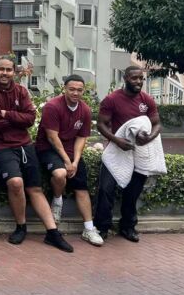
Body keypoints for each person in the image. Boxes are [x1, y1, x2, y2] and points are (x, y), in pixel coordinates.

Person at [0, 56, 73, 252]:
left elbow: (30, 118)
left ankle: (53, 233)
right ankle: (21, 227)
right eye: (1, 69)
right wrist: (16, 118)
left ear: (15, 72)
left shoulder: (21, 91)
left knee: (34, 188)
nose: (5, 73)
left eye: (9, 70)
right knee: (15, 182)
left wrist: (7, 114)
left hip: (24, 144)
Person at [94, 66, 162, 243]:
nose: (138, 82)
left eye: (141, 78)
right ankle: (102, 228)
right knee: (106, 189)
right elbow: (100, 124)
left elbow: (156, 124)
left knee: (133, 192)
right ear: (125, 78)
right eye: (134, 78)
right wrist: (116, 141)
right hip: (117, 150)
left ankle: (128, 226)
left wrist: (149, 138)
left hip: (138, 151)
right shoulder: (112, 99)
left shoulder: (146, 100)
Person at [36, 75, 102, 246]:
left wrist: (76, 161)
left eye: (79, 90)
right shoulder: (52, 107)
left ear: (83, 91)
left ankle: (89, 229)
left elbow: (81, 138)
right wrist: (66, 161)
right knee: (60, 173)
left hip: (72, 153)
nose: (75, 93)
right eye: (72, 89)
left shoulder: (85, 110)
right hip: (49, 149)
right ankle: (57, 200)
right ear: (64, 89)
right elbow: (52, 137)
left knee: (81, 187)